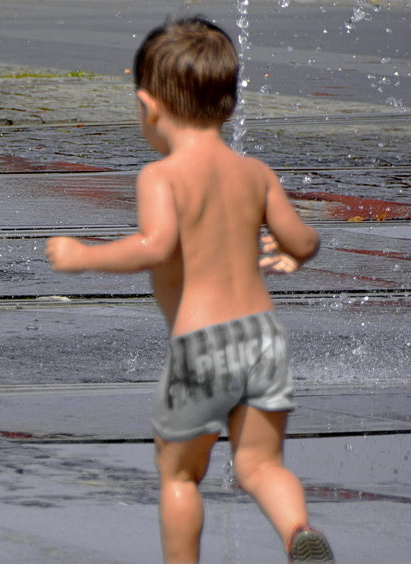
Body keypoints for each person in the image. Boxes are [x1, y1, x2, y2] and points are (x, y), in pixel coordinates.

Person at [45, 17, 333, 564]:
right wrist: (293, 251)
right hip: (263, 336)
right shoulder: (255, 173)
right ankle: (299, 533)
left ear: (149, 107)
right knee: (262, 466)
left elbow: (155, 246)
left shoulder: (162, 176)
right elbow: (304, 239)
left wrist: (85, 255)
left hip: (201, 343)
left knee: (179, 475)